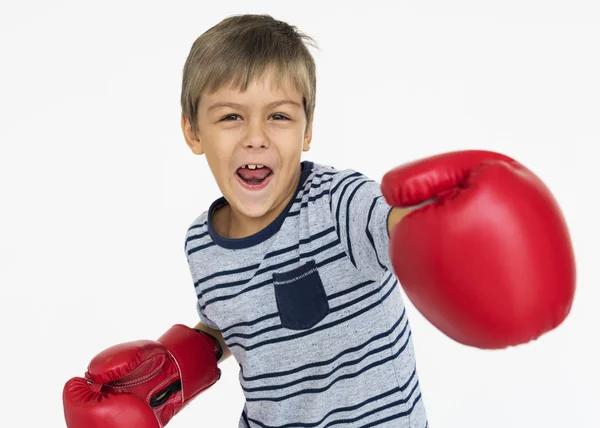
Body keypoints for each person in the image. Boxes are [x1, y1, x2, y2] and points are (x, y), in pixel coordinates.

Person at [62, 14, 576, 428]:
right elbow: (235, 320)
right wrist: (183, 359)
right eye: (230, 116)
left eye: (279, 116)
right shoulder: (202, 243)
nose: (256, 136)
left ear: (308, 129)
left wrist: (448, 225)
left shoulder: (339, 203)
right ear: (193, 132)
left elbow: (392, 223)